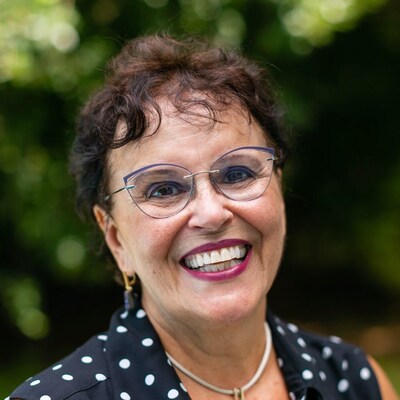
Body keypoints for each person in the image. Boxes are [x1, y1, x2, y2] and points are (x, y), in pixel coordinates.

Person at [8, 33, 398, 400]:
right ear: (116, 239)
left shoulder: (355, 382)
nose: (211, 214)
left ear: (278, 189)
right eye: (163, 189)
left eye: (238, 174)